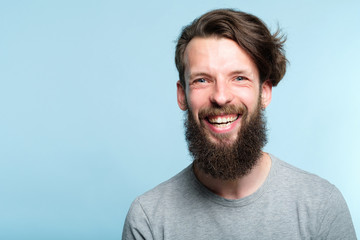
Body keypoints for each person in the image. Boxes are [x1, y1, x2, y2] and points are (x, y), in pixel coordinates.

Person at [122, 9, 356, 239]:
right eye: (202, 80)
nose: (221, 96)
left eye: (239, 78)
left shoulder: (322, 207)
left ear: (264, 92)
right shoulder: (148, 219)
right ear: (182, 95)